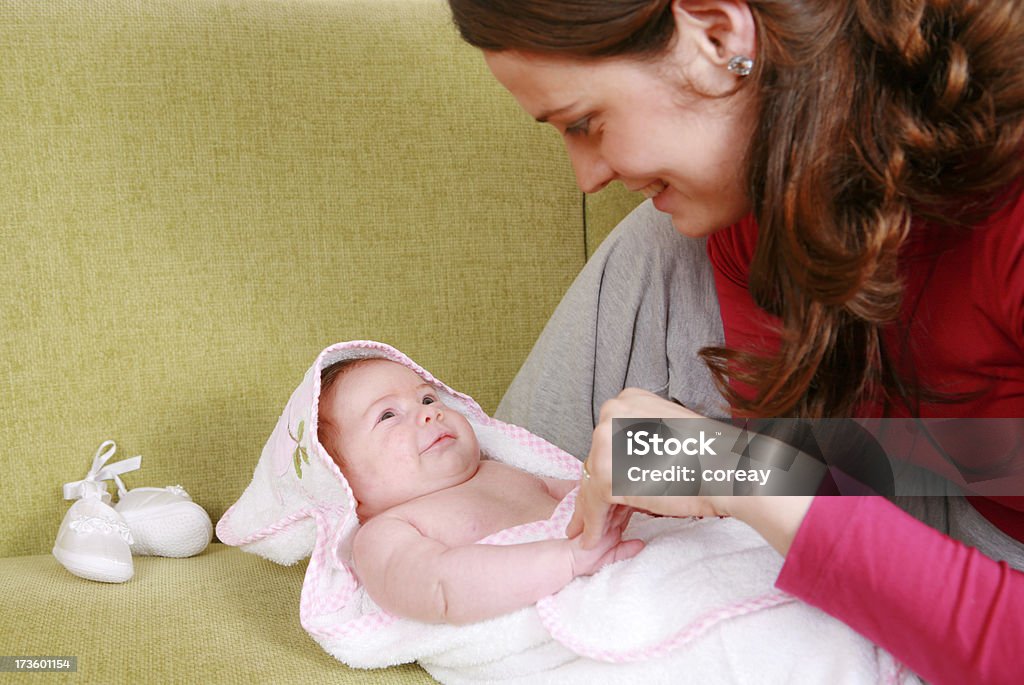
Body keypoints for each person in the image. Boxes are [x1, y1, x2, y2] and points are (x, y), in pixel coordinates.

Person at [446, 1, 1024, 683]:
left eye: (585, 123)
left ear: (718, 35)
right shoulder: (741, 203)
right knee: (662, 240)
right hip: (900, 471)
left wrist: (743, 472)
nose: (587, 177)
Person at [315, 356, 643, 624]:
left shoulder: (501, 472)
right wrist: (568, 561)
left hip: (625, 566)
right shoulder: (385, 533)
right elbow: (442, 588)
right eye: (387, 415)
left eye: (427, 397)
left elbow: (589, 492)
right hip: (565, 609)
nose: (430, 412)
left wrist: (636, 484)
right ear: (341, 481)